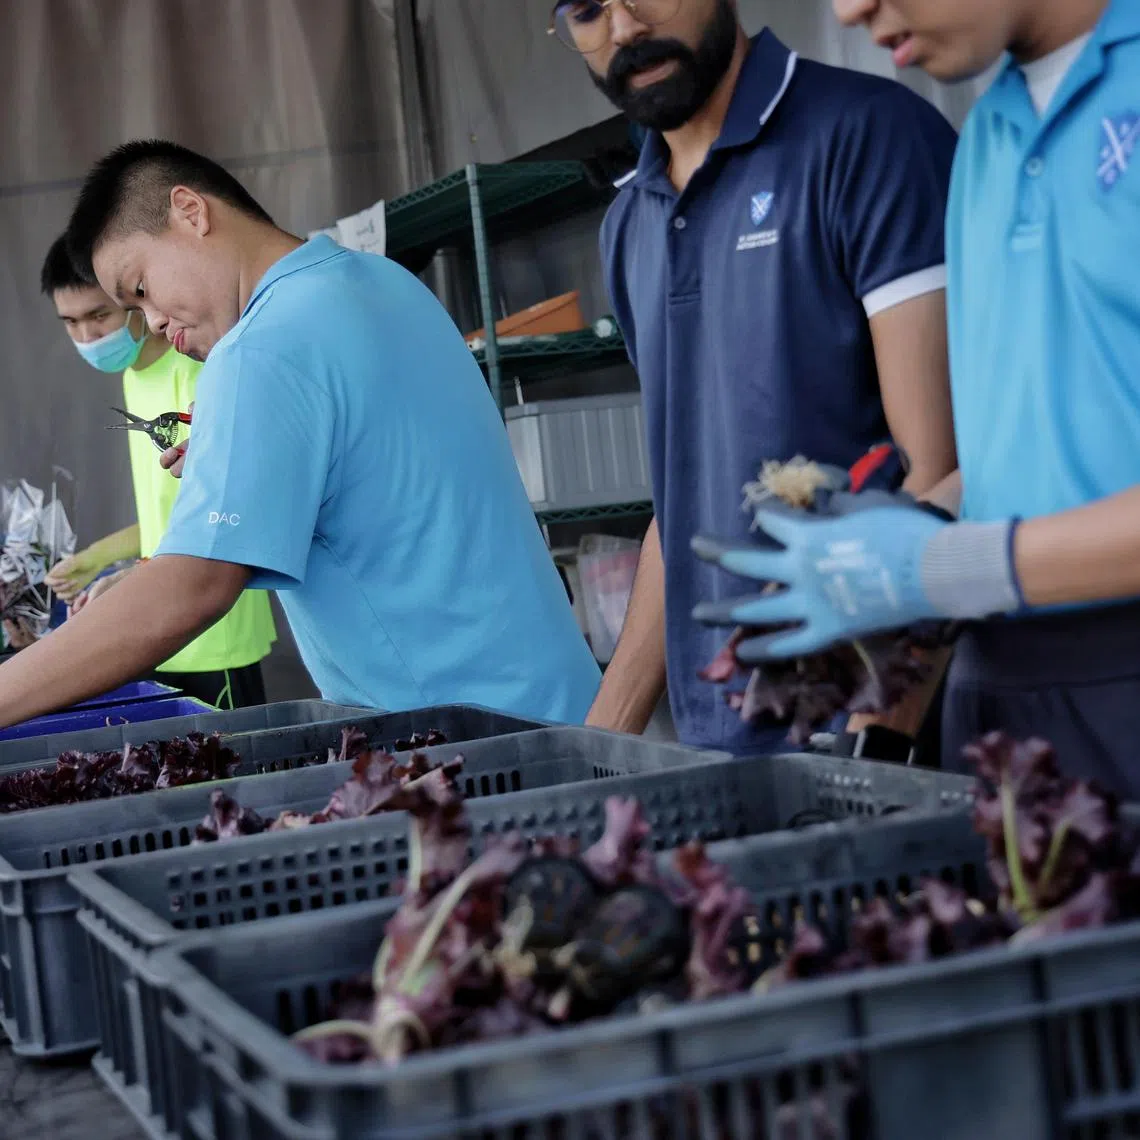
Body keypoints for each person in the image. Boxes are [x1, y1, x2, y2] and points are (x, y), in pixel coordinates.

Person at [696, 0, 1140, 794]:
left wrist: (948, 565)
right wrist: (903, 533)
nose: (849, 8)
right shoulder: (986, 140)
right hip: (1005, 723)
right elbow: (1028, 454)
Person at [0, 140, 600, 727]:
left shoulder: (259, 347)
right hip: (563, 704)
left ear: (190, 210)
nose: (151, 320)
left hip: (468, 741)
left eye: (141, 288)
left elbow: (192, 588)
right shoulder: (384, 282)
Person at [549, 0, 959, 754]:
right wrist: (597, 751)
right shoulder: (629, 225)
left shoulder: (869, 136)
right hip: (723, 761)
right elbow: (684, 508)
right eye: (585, 9)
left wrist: (873, 746)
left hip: (876, 745)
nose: (624, 27)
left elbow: (941, 476)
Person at [39, 236, 277, 708]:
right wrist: (95, 559)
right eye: (71, 323)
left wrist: (135, 576)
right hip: (164, 626)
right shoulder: (134, 377)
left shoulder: (198, 373)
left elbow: (226, 512)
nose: (88, 338)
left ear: (134, 300)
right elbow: (165, 514)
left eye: (98, 316)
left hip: (217, 628)